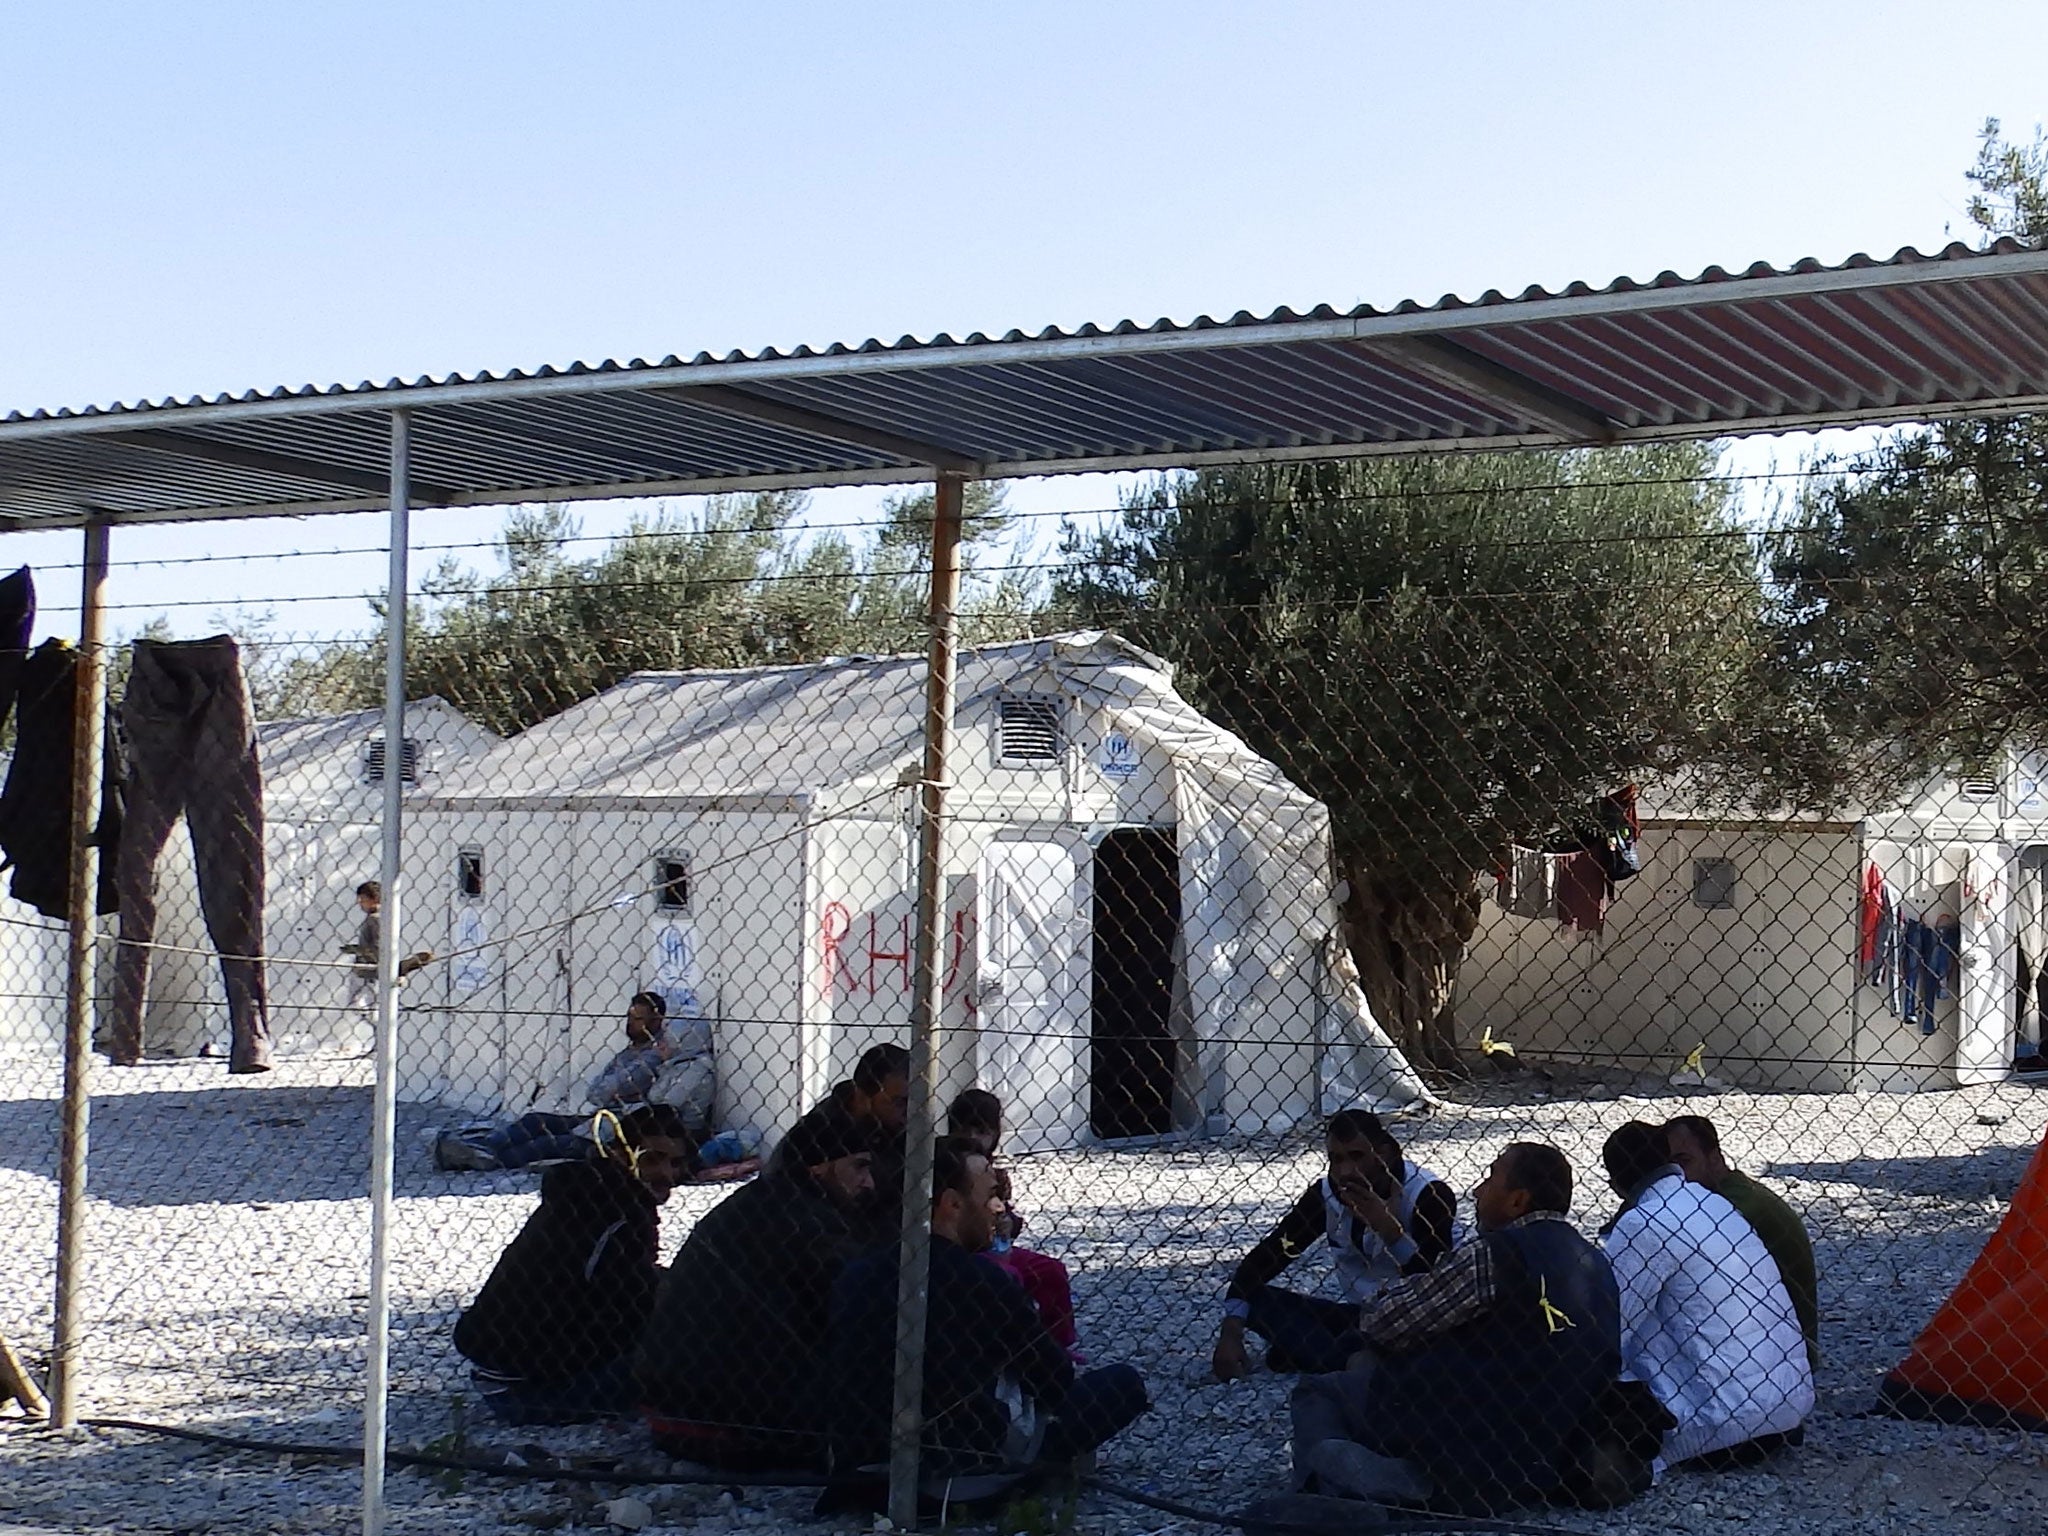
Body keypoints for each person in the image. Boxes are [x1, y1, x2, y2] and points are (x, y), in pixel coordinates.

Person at [1288, 1143, 1625, 1513]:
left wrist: (1389, 1295)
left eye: (1490, 1178)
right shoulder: (1595, 1261)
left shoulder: (1495, 1253)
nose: (1478, 1190)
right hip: (1554, 1446)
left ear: (1518, 1200)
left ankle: (1333, 1492)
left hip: (1471, 1432)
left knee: (1318, 1391)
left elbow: (1384, 1323)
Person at [825, 1137, 1147, 1488]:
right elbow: (1055, 1380)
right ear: (952, 1204)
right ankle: (1034, 1473)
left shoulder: (857, 1272)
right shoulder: (984, 1281)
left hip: (862, 1464)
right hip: (963, 1469)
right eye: (990, 1195)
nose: (998, 1208)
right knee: (1121, 1383)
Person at [635, 1102, 876, 1467]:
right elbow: (864, 1312)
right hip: (730, 1424)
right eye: (859, 1166)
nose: (868, 1182)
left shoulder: (765, 1204)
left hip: (676, 1410)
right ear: (819, 1166)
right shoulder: (809, 1225)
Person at [452, 1104, 693, 1425]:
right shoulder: (620, 1216)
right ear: (620, 1155)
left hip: (498, 1375)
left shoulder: (587, 1192)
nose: (668, 1175)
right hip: (538, 1392)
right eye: (652, 1159)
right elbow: (628, 1306)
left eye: (676, 1163)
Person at [1602, 1121, 1814, 1470]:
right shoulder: (1715, 1205)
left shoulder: (1643, 1222)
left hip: (1720, 1425)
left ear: (1615, 1186)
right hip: (1788, 1404)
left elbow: (1610, 1326)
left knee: (1621, 1320)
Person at [1215, 1110, 1458, 1379]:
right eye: (1336, 1159)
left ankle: (1323, 1355)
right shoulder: (1327, 1194)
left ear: (1384, 1154)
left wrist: (1392, 1234)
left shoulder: (1427, 1194)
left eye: (1357, 1157)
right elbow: (1276, 1252)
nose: (1345, 1172)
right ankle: (1340, 1356)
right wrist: (1231, 1330)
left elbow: (1438, 1285)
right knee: (1259, 1301)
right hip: (1360, 1315)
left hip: (1413, 1319)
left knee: (1358, 1344)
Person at [435, 993, 678, 1172]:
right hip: (598, 1118)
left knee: (549, 1143)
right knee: (536, 1121)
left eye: (638, 1019)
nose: (630, 1023)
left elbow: (610, 1089)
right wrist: (609, 1091)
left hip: (616, 1129)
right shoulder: (631, 1052)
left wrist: (612, 1090)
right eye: (629, 1016)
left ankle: (487, 1159)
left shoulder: (654, 1056)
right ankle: (483, 1145)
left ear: (656, 1021)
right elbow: (595, 1092)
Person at [1664, 1114, 1820, 1372]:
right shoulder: (1733, 1195)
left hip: (1775, 1356)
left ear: (1715, 1159)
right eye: (1670, 1166)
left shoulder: (1733, 1209)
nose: (1677, 1175)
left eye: (1685, 1161)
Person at [773, 1042, 910, 1241]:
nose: (909, 1112)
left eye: (915, 1101)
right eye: (899, 1102)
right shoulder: (817, 1134)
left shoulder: (896, 1128)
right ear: (862, 1097)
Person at [341, 880, 431, 1013]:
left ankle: (400, 968)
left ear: (375, 899)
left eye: (363, 899)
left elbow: (378, 948)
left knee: (362, 1008)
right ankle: (399, 968)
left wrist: (356, 950)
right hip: (368, 970)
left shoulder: (375, 919)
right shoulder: (384, 917)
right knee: (369, 1008)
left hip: (368, 972)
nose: (360, 903)